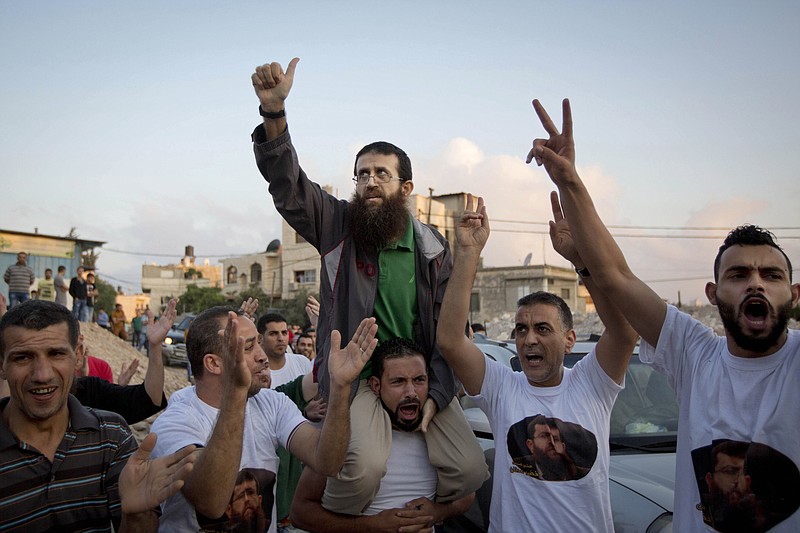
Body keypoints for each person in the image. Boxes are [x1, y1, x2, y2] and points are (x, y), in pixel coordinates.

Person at [528, 98, 800, 532]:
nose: (756, 284)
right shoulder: (694, 353)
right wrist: (568, 180)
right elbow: (616, 276)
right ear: (712, 294)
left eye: (771, 274)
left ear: (793, 293)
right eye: (739, 274)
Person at [250, 57, 486, 514]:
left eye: (381, 173)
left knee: (470, 468)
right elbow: (290, 187)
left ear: (407, 187)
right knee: (363, 469)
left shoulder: (433, 247)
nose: (369, 182)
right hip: (355, 380)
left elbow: (447, 329)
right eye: (362, 174)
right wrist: (274, 114)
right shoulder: (337, 224)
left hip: (416, 378)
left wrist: (435, 396)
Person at [436, 193, 638, 531]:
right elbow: (451, 340)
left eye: (543, 329)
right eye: (521, 329)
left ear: (569, 340)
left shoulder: (592, 383)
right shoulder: (502, 387)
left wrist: (581, 259)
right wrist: (469, 253)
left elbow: (624, 330)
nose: (529, 339)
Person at [150, 305, 378, 532]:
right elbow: (211, 503)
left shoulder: (272, 403)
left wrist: (340, 388)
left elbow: (326, 461)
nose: (262, 356)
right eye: (248, 347)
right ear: (214, 363)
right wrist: (237, 391)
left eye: (259, 343)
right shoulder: (175, 423)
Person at [0, 300, 197, 532]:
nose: (42, 375)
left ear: (79, 355)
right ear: (1, 364)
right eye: (22, 357)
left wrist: (135, 515)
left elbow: (147, 399)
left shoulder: (112, 437)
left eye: (56, 354)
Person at [291, 338, 475, 532]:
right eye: (398, 382)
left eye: (419, 380)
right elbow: (300, 512)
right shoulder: (346, 436)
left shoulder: (438, 436)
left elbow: (467, 496)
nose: (411, 392)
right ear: (376, 386)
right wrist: (370, 526)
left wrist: (437, 513)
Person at [68, 301, 175, 424]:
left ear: (79, 347)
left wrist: (155, 347)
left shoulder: (93, 384)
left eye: (55, 354)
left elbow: (150, 399)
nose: (44, 374)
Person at [257, 312, 312, 389]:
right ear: (260, 338)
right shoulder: (255, 372)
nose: (281, 338)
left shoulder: (302, 363)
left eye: (284, 333)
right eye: (273, 334)